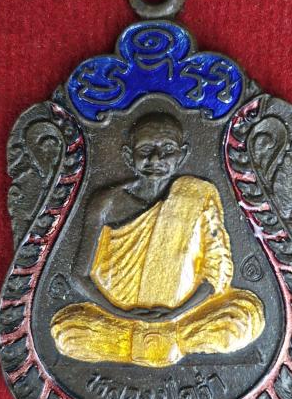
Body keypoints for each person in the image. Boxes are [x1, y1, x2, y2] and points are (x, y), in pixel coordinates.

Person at [50, 112, 264, 367]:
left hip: (184, 317)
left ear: (182, 155)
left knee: (243, 320)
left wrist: (177, 312)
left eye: (168, 150)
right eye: (145, 150)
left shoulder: (198, 194)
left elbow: (216, 271)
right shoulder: (106, 202)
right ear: (129, 156)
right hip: (119, 319)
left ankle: (154, 341)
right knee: (67, 333)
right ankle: (161, 343)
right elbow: (79, 275)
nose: (156, 159)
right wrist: (120, 312)